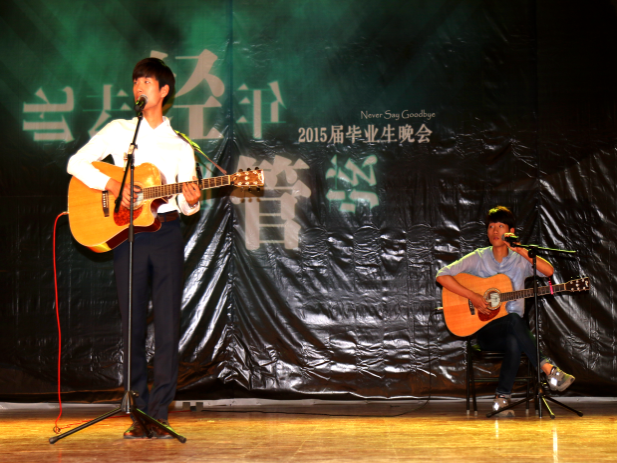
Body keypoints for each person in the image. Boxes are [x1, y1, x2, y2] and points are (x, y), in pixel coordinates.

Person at [67, 58, 202, 438]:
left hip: (166, 234)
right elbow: (76, 162)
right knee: (133, 328)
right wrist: (112, 185)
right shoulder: (120, 131)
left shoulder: (180, 145)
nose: (139, 87)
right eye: (136, 82)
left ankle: (160, 413)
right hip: (127, 235)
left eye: (147, 82)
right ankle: (139, 415)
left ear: (164, 91)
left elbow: (187, 202)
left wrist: (192, 200)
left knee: (168, 326)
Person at [436, 206, 575, 416]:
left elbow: (548, 271)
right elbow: (442, 275)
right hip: (486, 331)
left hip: (513, 328)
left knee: (514, 335)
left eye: (500, 226)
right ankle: (548, 369)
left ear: (510, 231)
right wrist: (473, 296)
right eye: (491, 227)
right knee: (514, 321)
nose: (494, 231)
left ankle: (501, 399)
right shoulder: (478, 258)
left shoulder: (520, 259)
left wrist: (521, 250)